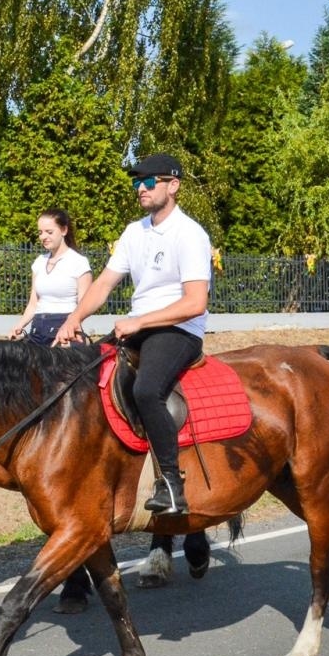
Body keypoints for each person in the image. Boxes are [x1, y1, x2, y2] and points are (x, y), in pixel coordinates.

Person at [56, 153, 212, 515]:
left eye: (148, 181)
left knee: (146, 390)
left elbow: (195, 302)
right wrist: (74, 318)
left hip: (177, 330)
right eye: (136, 182)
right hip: (137, 327)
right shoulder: (133, 231)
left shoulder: (190, 234)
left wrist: (140, 322)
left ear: (173, 186)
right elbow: (104, 284)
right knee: (80, 377)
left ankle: (172, 485)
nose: (140, 188)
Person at [8, 208, 94, 346]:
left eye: (49, 232)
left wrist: (70, 330)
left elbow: (84, 305)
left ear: (64, 230)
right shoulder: (39, 262)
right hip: (36, 331)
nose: (43, 237)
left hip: (65, 332)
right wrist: (19, 326)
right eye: (40, 232)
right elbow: (33, 304)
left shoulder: (79, 262)